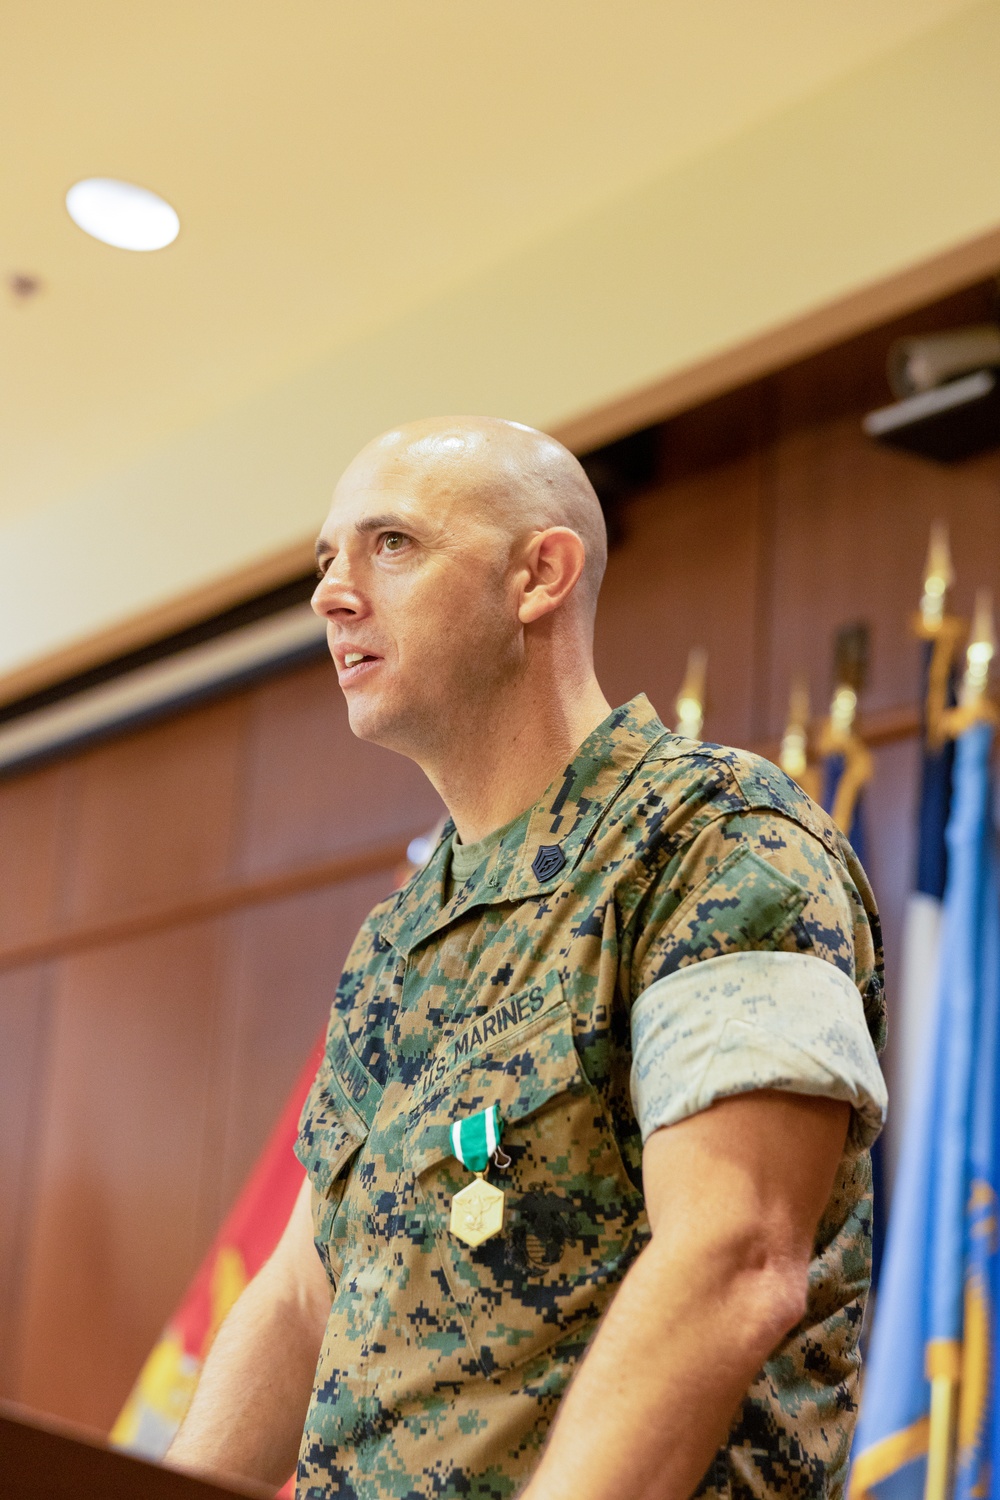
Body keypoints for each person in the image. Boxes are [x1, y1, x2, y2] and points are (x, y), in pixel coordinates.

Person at [168, 415, 887, 1500]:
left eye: (392, 545)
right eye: (326, 559)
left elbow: (735, 1258)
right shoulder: (395, 943)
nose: (331, 592)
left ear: (538, 576)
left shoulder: (712, 842)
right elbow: (303, 1297)